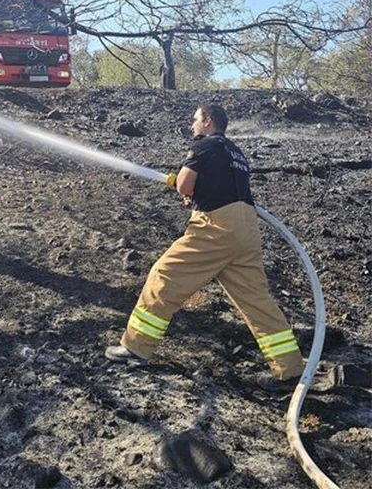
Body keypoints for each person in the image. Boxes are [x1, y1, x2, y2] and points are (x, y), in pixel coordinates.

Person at [105, 104, 303, 391]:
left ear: (207, 121)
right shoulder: (235, 152)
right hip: (246, 228)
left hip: (216, 228)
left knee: (164, 277)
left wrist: (183, 186)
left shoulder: (203, 145)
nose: (192, 125)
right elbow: (221, 188)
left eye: (195, 120)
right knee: (256, 300)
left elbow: (184, 185)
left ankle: (136, 348)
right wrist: (196, 195)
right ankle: (290, 369)